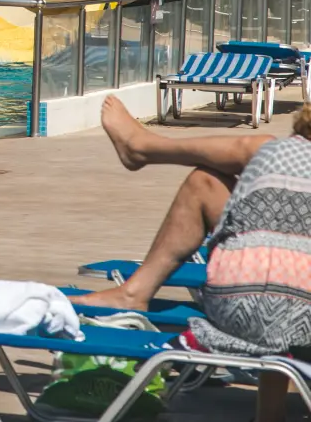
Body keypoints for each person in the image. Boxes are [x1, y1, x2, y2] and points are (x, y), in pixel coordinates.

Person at [83, 93, 311, 416]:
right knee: (284, 276)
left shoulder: (276, 151)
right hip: (298, 318)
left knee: (240, 164)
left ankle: (142, 147)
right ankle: (133, 292)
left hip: (234, 309)